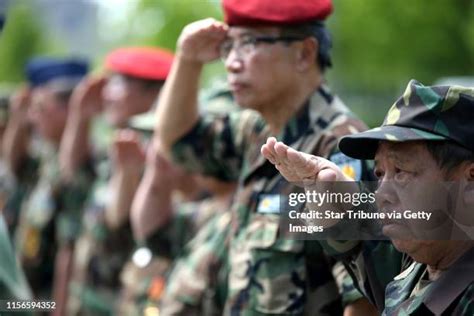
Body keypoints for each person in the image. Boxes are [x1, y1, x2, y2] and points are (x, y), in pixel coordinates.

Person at [154, 0, 375, 314]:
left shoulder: (341, 149)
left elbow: (364, 297)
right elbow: (178, 142)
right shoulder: (258, 129)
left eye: (249, 43)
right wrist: (187, 61)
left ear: (304, 54)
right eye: (228, 46)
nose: (231, 62)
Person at [261, 79, 474, 315]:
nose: (381, 193)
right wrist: (326, 185)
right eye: (380, 173)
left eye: (401, 172)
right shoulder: (420, 265)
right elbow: (365, 243)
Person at [61, 46, 175, 315]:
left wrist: (128, 173)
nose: (108, 94)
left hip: (121, 302)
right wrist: (81, 115)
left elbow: (118, 220)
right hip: (88, 297)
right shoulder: (118, 146)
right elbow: (71, 171)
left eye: (121, 84)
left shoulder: (160, 155)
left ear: (154, 94)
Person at [2, 57, 91, 300]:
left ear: (68, 109)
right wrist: (18, 120)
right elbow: (15, 165)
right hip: (28, 294)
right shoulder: (47, 159)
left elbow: (69, 247)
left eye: (40, 109)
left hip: (49, 298)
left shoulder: (85, 167)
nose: (32, 118)